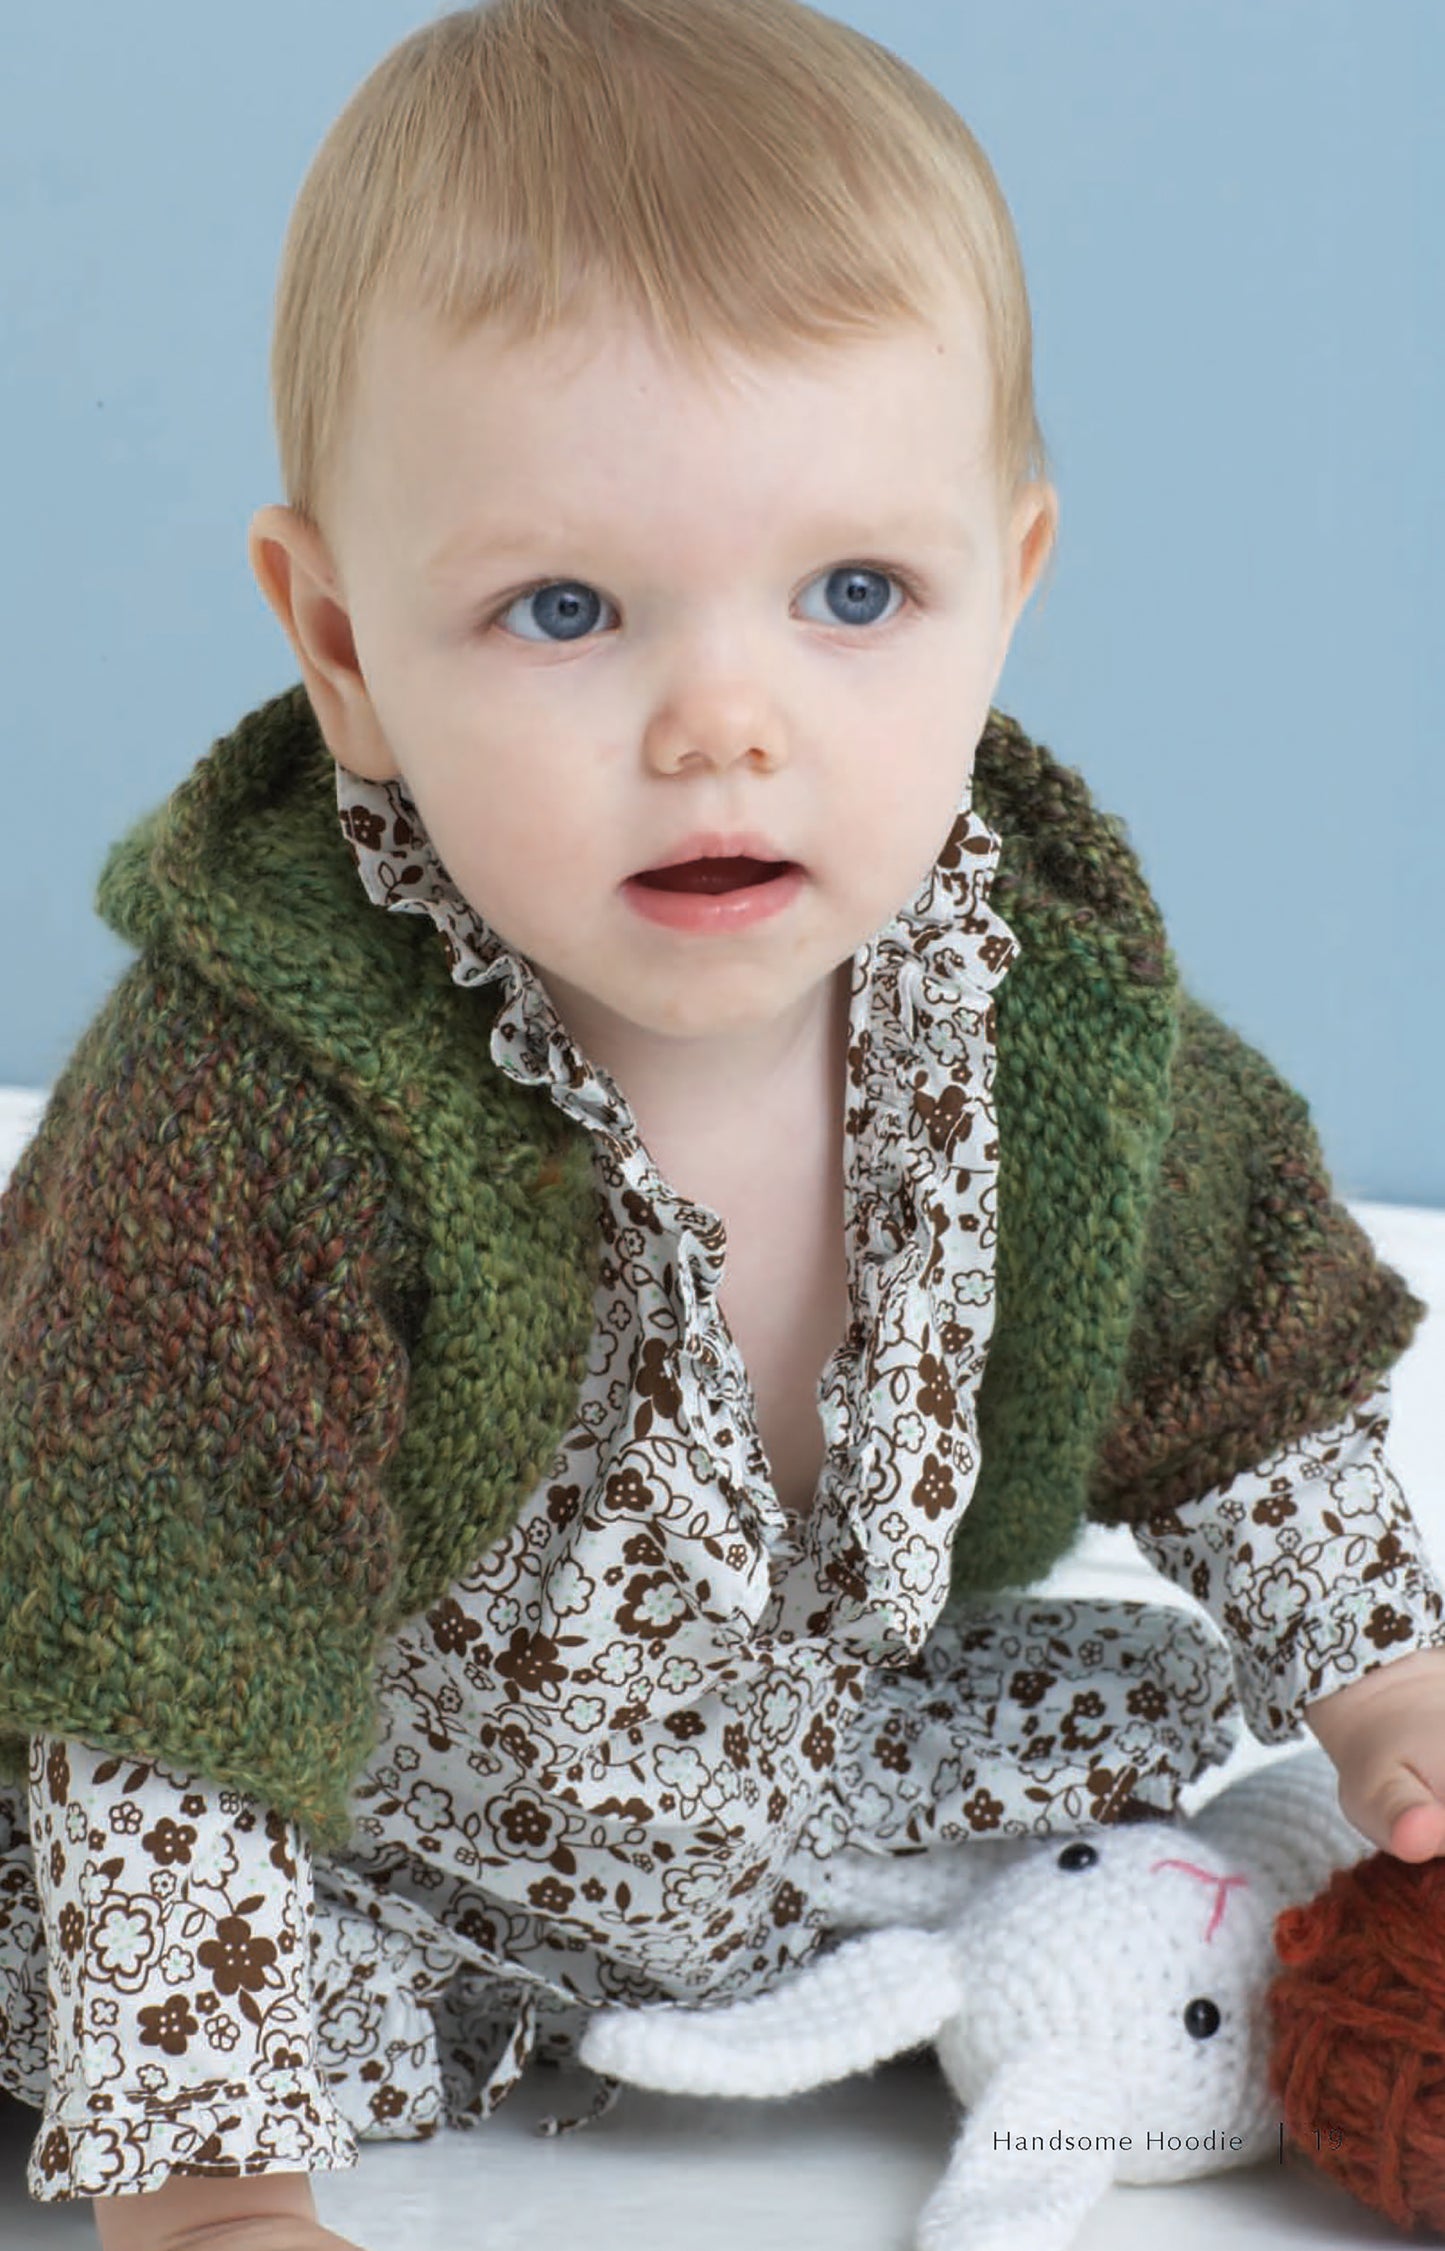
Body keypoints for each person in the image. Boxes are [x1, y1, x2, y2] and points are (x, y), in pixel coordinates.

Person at [1, 3, 1441, 2246]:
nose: (724, 726)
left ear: (1010, 582)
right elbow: (163, 1651)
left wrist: (1384, 1689)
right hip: (348, 1834)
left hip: (809, 1779)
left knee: (1145, 1794)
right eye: (563, 608)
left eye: (854, 594)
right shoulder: (255, 1117)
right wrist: (206, 2192)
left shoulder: (1036, 1028)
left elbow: (1244, 1361)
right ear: (346, 643)